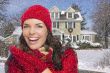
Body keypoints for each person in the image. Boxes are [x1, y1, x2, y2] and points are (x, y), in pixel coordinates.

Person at [5, 5, 78, 73]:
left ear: (47, 31)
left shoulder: (66, 55)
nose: (31, 32)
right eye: (26, 26)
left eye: (39, 26)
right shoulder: (14, 60)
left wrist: (37, 64)